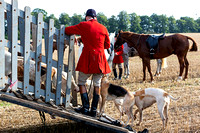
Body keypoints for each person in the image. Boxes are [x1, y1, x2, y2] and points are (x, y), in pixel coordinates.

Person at [65, 9, 111, 117]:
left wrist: (76, 37)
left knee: (81, 82)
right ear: (95, 18)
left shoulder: (83, 25)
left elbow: (67, 30)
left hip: (88, 60)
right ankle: (94, 110)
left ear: (87, 17)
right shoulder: (103, 28)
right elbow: (108, 45)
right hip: (100, 60)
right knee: (97, 84)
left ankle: (85, 108)